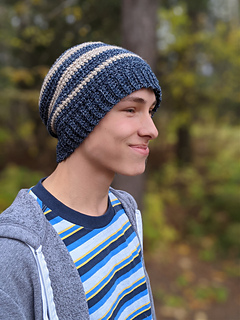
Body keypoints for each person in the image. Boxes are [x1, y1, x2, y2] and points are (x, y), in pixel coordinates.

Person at [0, 41, 162, 320]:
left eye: (150, 110)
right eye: (131, 110)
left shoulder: (126, 214)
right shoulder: (15, 251)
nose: (152, 129)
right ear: (81, 118)